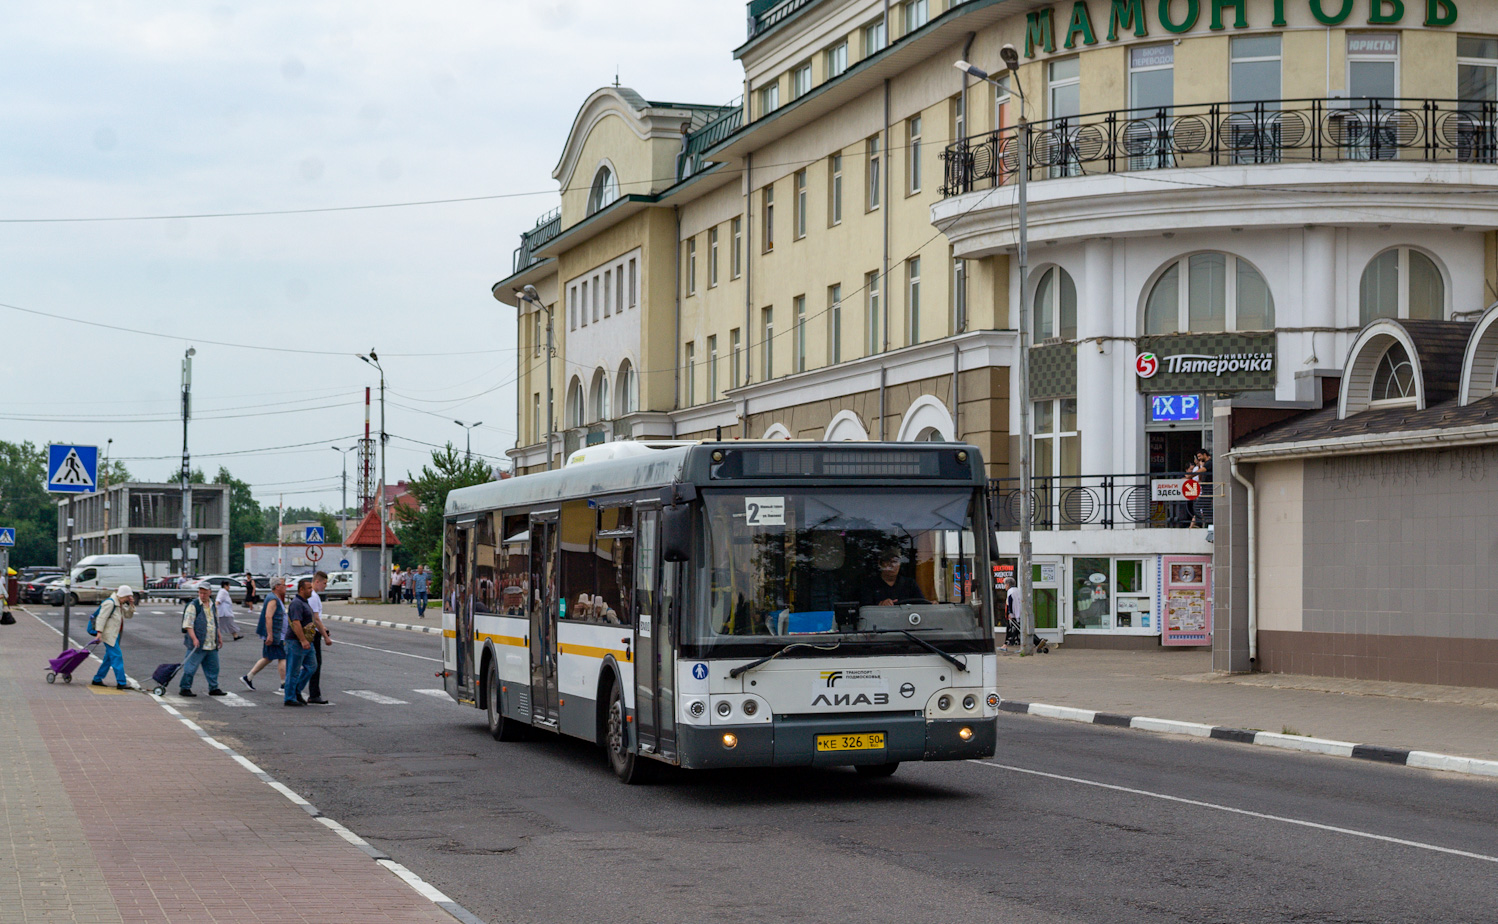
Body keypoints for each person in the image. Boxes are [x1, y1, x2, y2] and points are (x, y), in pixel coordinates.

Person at [180, 584, 226, 697]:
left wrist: (219, 636)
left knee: (213, 667)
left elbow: (215, 622)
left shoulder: (212, 605)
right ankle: (185, 687)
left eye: (205, 593)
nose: (202, 595)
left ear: (210, 592)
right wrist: (194, 639)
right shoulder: (194, 605)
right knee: (190, 668)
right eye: (200, 593)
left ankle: (213, 687)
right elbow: (188, 625)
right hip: (198, 643)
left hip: (211, 642)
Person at [242, 578, 288, 691]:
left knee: (268, 657)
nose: (285, 587)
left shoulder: (275, 597)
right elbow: (268, 616)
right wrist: (270, 635)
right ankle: (284, 684)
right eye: (284, 585)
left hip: (277, 633)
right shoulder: (273, 599)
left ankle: (248, 677)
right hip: (276, 634)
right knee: (283, 657)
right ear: (277, 586)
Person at [90, 584, 136, 689]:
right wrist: (99, 633)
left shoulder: (119, 604)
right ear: (122, 595)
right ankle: (121, 682)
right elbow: (102, 618)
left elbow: (129, 616)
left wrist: (131, 604)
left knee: (109, 658)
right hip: (108, 635)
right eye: (127, 597)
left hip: (115, 634)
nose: (127, 599)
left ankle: (97, 679)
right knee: (117, 656)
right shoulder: (110, 603)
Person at [284, 578, 318, 706]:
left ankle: (296, 690)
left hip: (307, 642)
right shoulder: (297, 603)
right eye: (309, 588)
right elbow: (296, 623)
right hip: (295, 642)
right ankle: (289, 697)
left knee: (312, 666)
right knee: (293, 670)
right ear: (301, 589)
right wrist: (303, 640)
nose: (311, 590)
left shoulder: (304, 602)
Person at [859, 547, 926, 607]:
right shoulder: (869, 584)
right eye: (888, 561)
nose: (892, 565)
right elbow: (865, 610)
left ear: (900, 564)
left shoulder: (910, 584)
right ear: (880, 563)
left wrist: (931, 605)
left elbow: (922, 605)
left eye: (895, 561)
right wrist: (880, 605)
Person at [305, 571, 333, 705]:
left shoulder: (312, 595)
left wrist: (324, 629)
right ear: (317, 582)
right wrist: (325, 636)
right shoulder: (314, 597)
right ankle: (313, 694)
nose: (325, 586)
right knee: (314, 664)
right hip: (312, 634)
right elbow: (316, 619)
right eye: (324, 583)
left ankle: (313, 693)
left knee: (311, 664)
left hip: (311, 632)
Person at [1190, 449, 1213, 528]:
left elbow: (1201, 471)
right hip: (1206, 488)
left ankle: (1202, 522)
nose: (1199, 458)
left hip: (1209, 489)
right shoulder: (1205, 464)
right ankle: (1208, 524)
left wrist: (1190, 475)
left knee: (1198, 506)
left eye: (1200, 456)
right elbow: (1200, 477)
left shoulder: (1209, 463)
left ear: (1204, 455)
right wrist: (1199, 465)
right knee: (1205, 508)